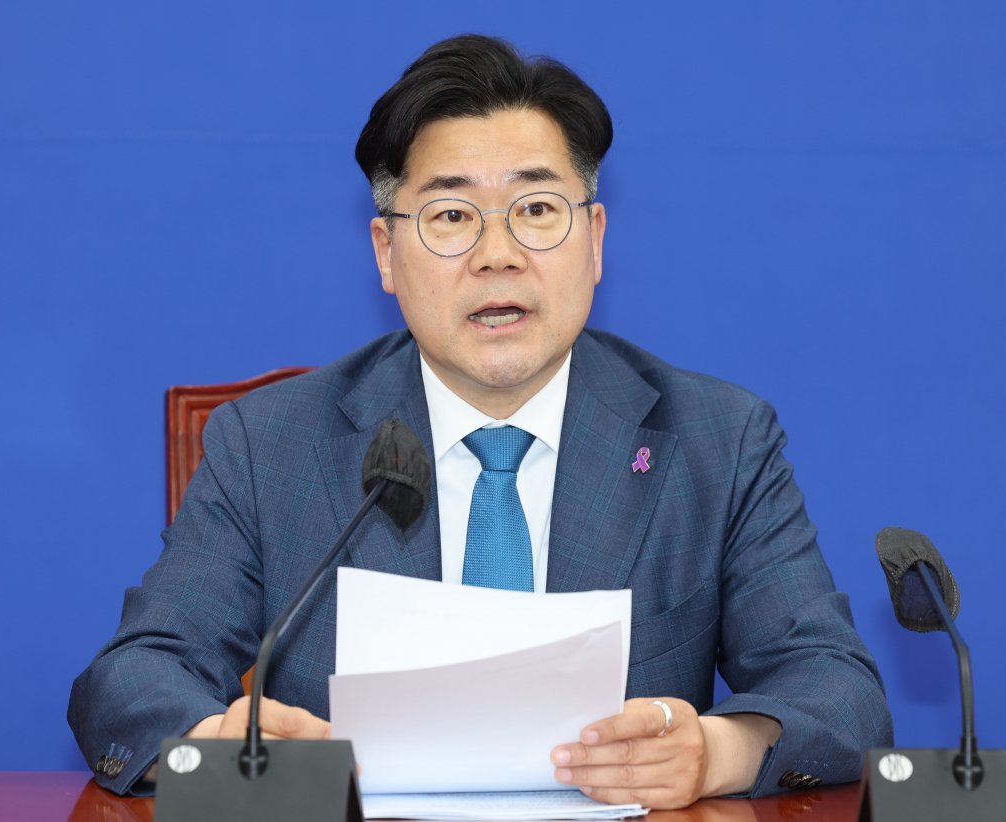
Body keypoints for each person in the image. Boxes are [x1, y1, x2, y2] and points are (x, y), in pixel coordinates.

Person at [69, 34, 893, 809]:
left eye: (536, 209)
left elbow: (839, 690)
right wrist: (214, 746)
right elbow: (134, 678)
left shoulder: (717, 440)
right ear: (386, 254)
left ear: (594, 239)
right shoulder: (272, 444)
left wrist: (718, 751)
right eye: (453, 217)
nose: (498, 254)